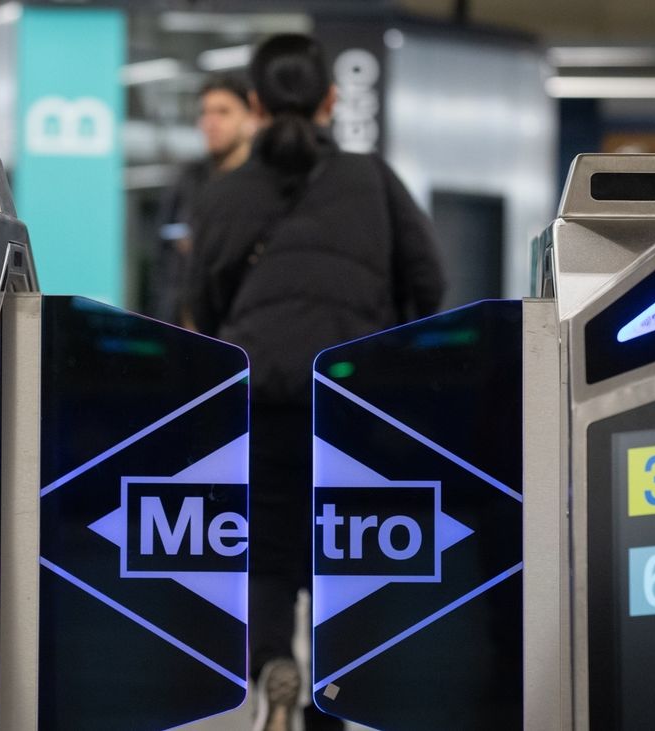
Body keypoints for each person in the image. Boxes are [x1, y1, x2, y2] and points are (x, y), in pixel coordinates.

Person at [184, 34, 445, 731]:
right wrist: (398, 363)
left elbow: (202, 308)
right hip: (351, 402)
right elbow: (430, 282)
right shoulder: (374, 180)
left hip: (260, 399)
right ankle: (333, 698)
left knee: (266, 551)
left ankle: (273, 662)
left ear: (257, 105)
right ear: (332, 99)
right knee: (347, 551)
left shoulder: (222, 196)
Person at [149, 74, 256, 323]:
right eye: (206, 113)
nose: (211, 122)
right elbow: (163, 267)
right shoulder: (186, 183)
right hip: (184, 336)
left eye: (223, 112)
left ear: (251, 117)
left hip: (243, 331)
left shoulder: (266, 188)